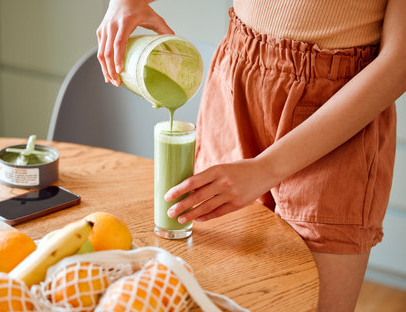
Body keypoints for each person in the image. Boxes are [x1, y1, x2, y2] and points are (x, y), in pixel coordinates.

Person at [96, 0, 406, 311]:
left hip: (336, 124)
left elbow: (399, 64)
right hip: (237, 90)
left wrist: (265, 168)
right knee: (215, 297)